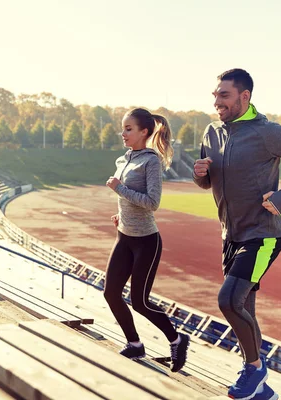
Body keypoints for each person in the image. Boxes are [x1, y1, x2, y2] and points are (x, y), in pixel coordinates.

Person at [193, 68, 281, 400]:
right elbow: (208, 181)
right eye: (215, 94)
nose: (216, 100)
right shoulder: (211, 132)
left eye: (224, 95)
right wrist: (200, 176)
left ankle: (255, 368)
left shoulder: (268, 133)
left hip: (262, 234)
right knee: (244, 307)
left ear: (244, 96)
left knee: (228, 301)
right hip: (230, 235)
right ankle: (261, 390)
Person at [105, 107, 190, 373]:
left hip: (146, 242)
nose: (124, 133)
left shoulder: (151, 161)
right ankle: (135, 344)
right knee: (111, 293)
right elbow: (127, 201)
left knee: (140, 301)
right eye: (123, 128)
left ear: (144, 131)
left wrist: (120, 188)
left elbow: (152, 203)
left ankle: (177, 340)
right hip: (124, 238)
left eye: (129, 129)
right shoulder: (123, 160)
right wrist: (120, 216)